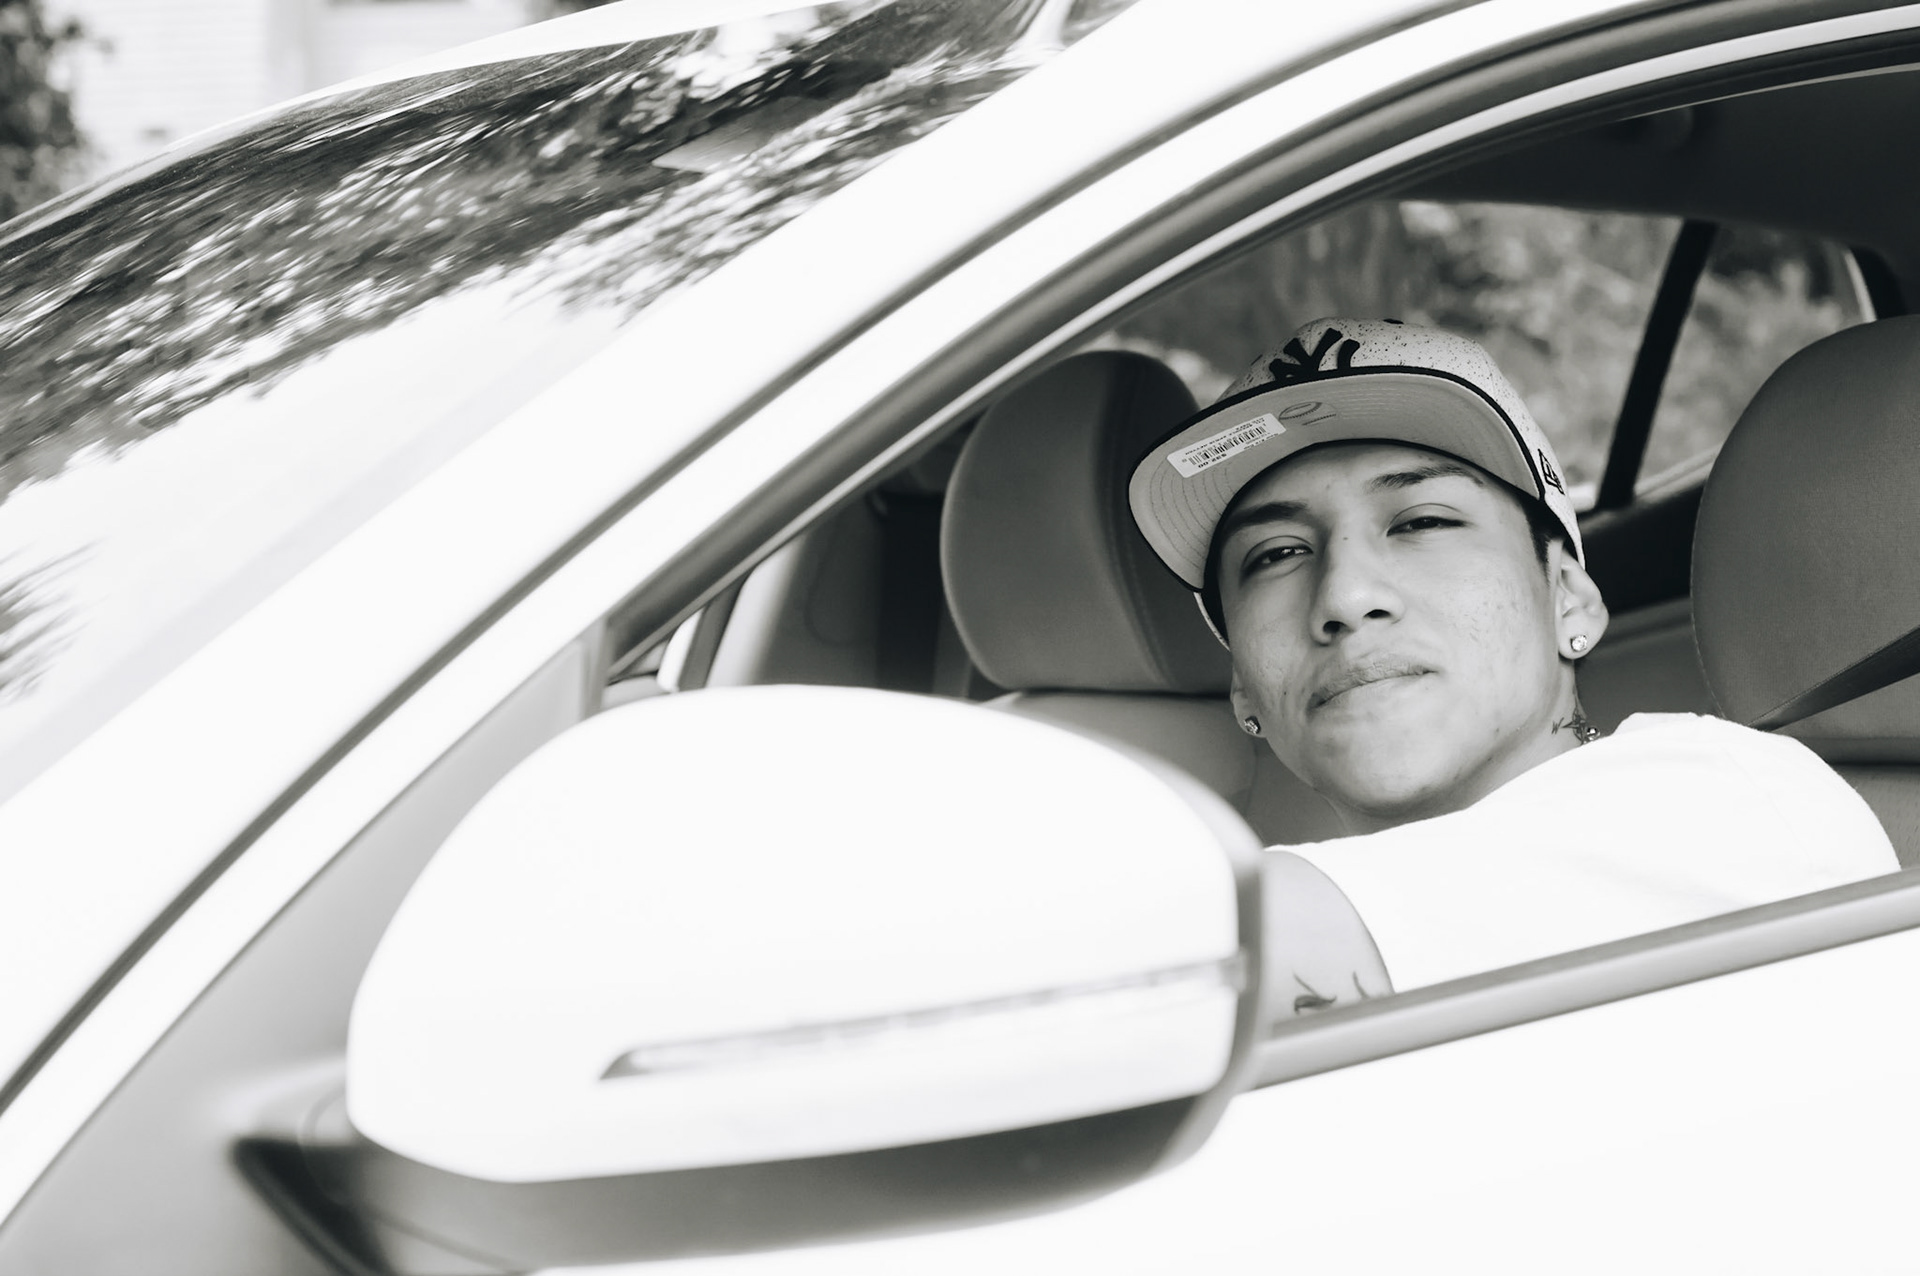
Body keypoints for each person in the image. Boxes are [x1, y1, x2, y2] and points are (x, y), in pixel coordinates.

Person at [1127, 317, 1898, 1006]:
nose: (1346, 595)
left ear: (1569, 599)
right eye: (1276, 554)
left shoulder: (1729, 805)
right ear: (1243, 686)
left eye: (1422, 521)